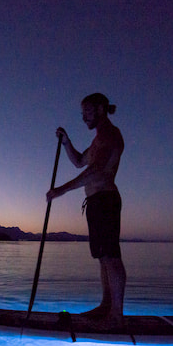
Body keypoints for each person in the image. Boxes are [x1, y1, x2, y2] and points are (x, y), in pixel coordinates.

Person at [46, 93, 126, 327]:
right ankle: (106, 306)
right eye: (82, 113)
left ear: (101, 109)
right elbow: (81, 161)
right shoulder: (97, 140)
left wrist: (61, 190)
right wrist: (66, 142)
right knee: (103, 257)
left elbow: (97, 171)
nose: (84, 117)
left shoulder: (110, 135)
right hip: (95, 202)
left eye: (87, 112)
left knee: (111, 256)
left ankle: (117, 316)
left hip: (105, 200)